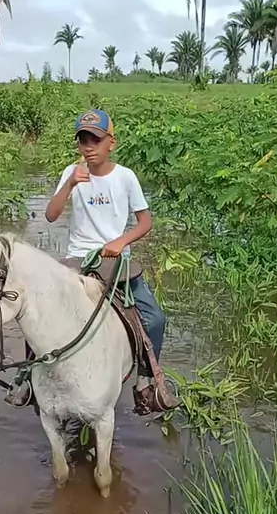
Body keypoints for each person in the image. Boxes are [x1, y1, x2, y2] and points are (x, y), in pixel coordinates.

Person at [45, 108, 178, 414]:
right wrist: (69, 185)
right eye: (83, 140)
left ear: (111, 143)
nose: (89, 147)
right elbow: (51, 216)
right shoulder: (71, 172)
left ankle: (146, 384)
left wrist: (121, 242)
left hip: (116, 261)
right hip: (77, 259)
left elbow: (145, 222)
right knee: (40, 310)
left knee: (155, 319)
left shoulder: (125, 177)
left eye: (96, 140)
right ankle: (31, 382)